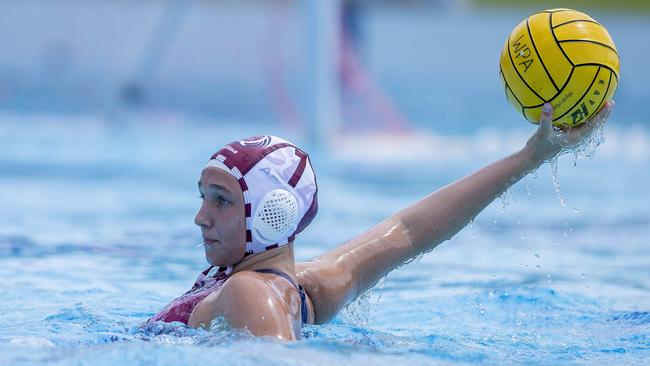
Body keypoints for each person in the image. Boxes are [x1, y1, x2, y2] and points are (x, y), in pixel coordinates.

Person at [146, 102, 614, 340]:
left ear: (273, 214)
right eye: (203, 197)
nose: (200, 217)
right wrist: (531, 156)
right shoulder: (309, 288)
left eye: (221, 201)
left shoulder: (249, 293)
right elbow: (408, 232)